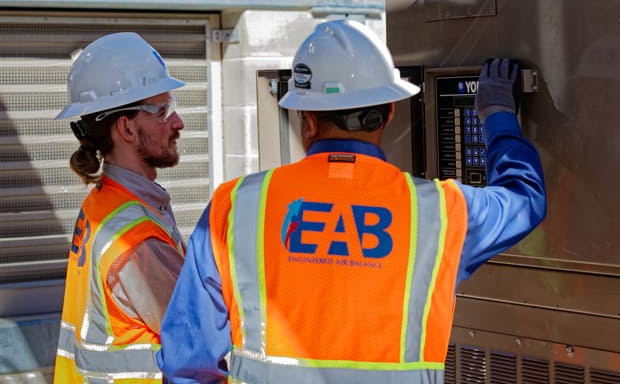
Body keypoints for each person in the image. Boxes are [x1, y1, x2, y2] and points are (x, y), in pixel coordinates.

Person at [157, 19, 547, 383]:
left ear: (306, 119)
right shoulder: (439, 212)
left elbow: (186, 361)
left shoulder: (235, 206)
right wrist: (497, 114)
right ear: (389, 113)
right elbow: (524, 198)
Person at [53, 32, 188, 383]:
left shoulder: (105, 202)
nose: (178, 123)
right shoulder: (135, 237)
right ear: (126, 128)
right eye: (163, 111)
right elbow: (196, 338)